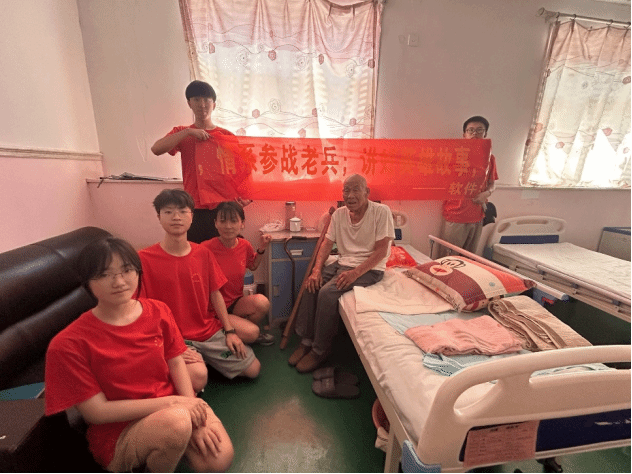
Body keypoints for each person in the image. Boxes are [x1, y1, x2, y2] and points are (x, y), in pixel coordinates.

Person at [45, 237, 233, 473]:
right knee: (177, 422)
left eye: (126, 270)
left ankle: (172, 440)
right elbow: (97, 412)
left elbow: (176, 362)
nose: (119, 282)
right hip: (120, 430)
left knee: (218, 460)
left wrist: (192, 412)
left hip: (172, 409)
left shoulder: (158, 311)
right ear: (87, 282)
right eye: (104, 274)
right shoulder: (68, 344)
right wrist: (177, 405)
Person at [139, 189, 261, 385]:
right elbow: (142, 310)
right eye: (168, 212)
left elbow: (215, 293)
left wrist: (230, 332)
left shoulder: (203, 253)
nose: (176, 217)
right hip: (174, 337)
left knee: (253, 369)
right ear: (159, 217)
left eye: (182, 211)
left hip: (207, 330)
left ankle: (205, 358)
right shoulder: (144, 259)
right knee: (198, 377)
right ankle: (194, 364)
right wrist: (166, 345)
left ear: (191, 216)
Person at [289, 174, 395, 373]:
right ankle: (306, 341)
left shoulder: (381, 212)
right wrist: (316, 270)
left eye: (356, 189)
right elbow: (327, 244)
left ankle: (320, 350)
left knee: (327, 293)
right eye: (346, 190)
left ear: (367, 192)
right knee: (311, 285)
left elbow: (382, 251)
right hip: (342, 263)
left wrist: (355, 273)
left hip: (370, 269)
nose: (350, 195)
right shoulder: (339, 215)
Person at [151, 80, 250, 243]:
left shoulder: (226, 136)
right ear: (189, 103)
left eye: (206, 100)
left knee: (224, 253)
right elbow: (156, 149)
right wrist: (188, 132)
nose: (202, 104)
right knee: (196, 252)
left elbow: (245, 169)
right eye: (196, 99)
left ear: (214, 104)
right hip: (194, 207)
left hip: (223, 207)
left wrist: (247, 196)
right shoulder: (182, 132)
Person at [202, 201, 275, 346]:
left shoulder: (244, 245)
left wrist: (262, 248)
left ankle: (238, 331)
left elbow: (253, 266)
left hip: (235, 302)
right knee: (253, 333)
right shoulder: (205, 249)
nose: (228, 226)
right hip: (214, 309)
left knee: (262, 303)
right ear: (216, 223)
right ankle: (234, 332)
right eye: (223, 221)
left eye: (233, 221)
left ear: (242, 224)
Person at [436, 116, 499, 258]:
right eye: (470, 130)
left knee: (469, 258)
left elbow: (492, 183)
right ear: (464, 135)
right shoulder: (454, 155)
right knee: (449, 257)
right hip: (455, 214)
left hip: (477, 215)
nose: (475, 134)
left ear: (485, 134)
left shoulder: (490, 158)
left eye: (479, 130)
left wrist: (487, 193)